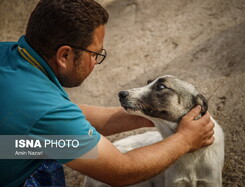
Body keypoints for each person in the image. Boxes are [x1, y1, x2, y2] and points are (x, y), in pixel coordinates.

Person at [0, 0, 215, 186]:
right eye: (95, 54)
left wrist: (149, 113)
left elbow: (65, 117)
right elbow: (121, 171)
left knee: (46, 144)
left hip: (5, 148)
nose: (96, 61)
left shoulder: (10, 54)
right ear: (64, 55)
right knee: (52, 150)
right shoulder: (46, 111)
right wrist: (185, 139)